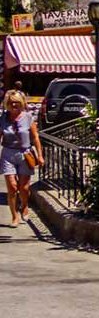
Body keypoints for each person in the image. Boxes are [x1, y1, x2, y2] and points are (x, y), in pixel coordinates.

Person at [2, 88, 43, 228]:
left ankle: (24, 206)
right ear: (7, 103)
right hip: (8, 153)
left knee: (24, 188)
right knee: (12, 187)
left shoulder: (28, 117)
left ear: (22, 103)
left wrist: (40, 156)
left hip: (25, 154)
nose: (14, 105)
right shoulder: (3, 118)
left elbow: (35, 137)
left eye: (17, 103)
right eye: (11, 103)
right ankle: (15, 216)